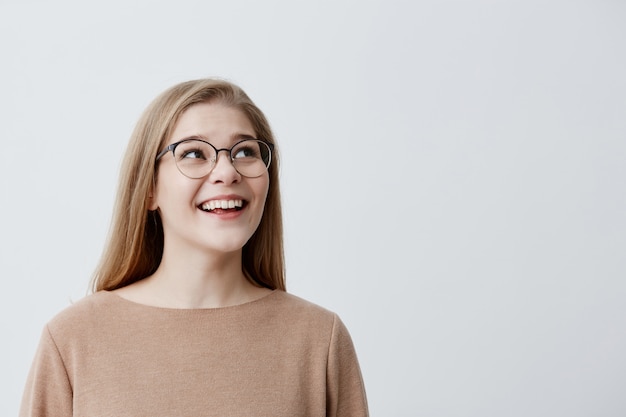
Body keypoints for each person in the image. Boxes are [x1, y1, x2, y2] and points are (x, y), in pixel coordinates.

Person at [19, 78, 368, 416]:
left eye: (245, 151)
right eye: (193, 153)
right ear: (149, 188)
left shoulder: (319, 339)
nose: (227, 171)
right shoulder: (73, 340)